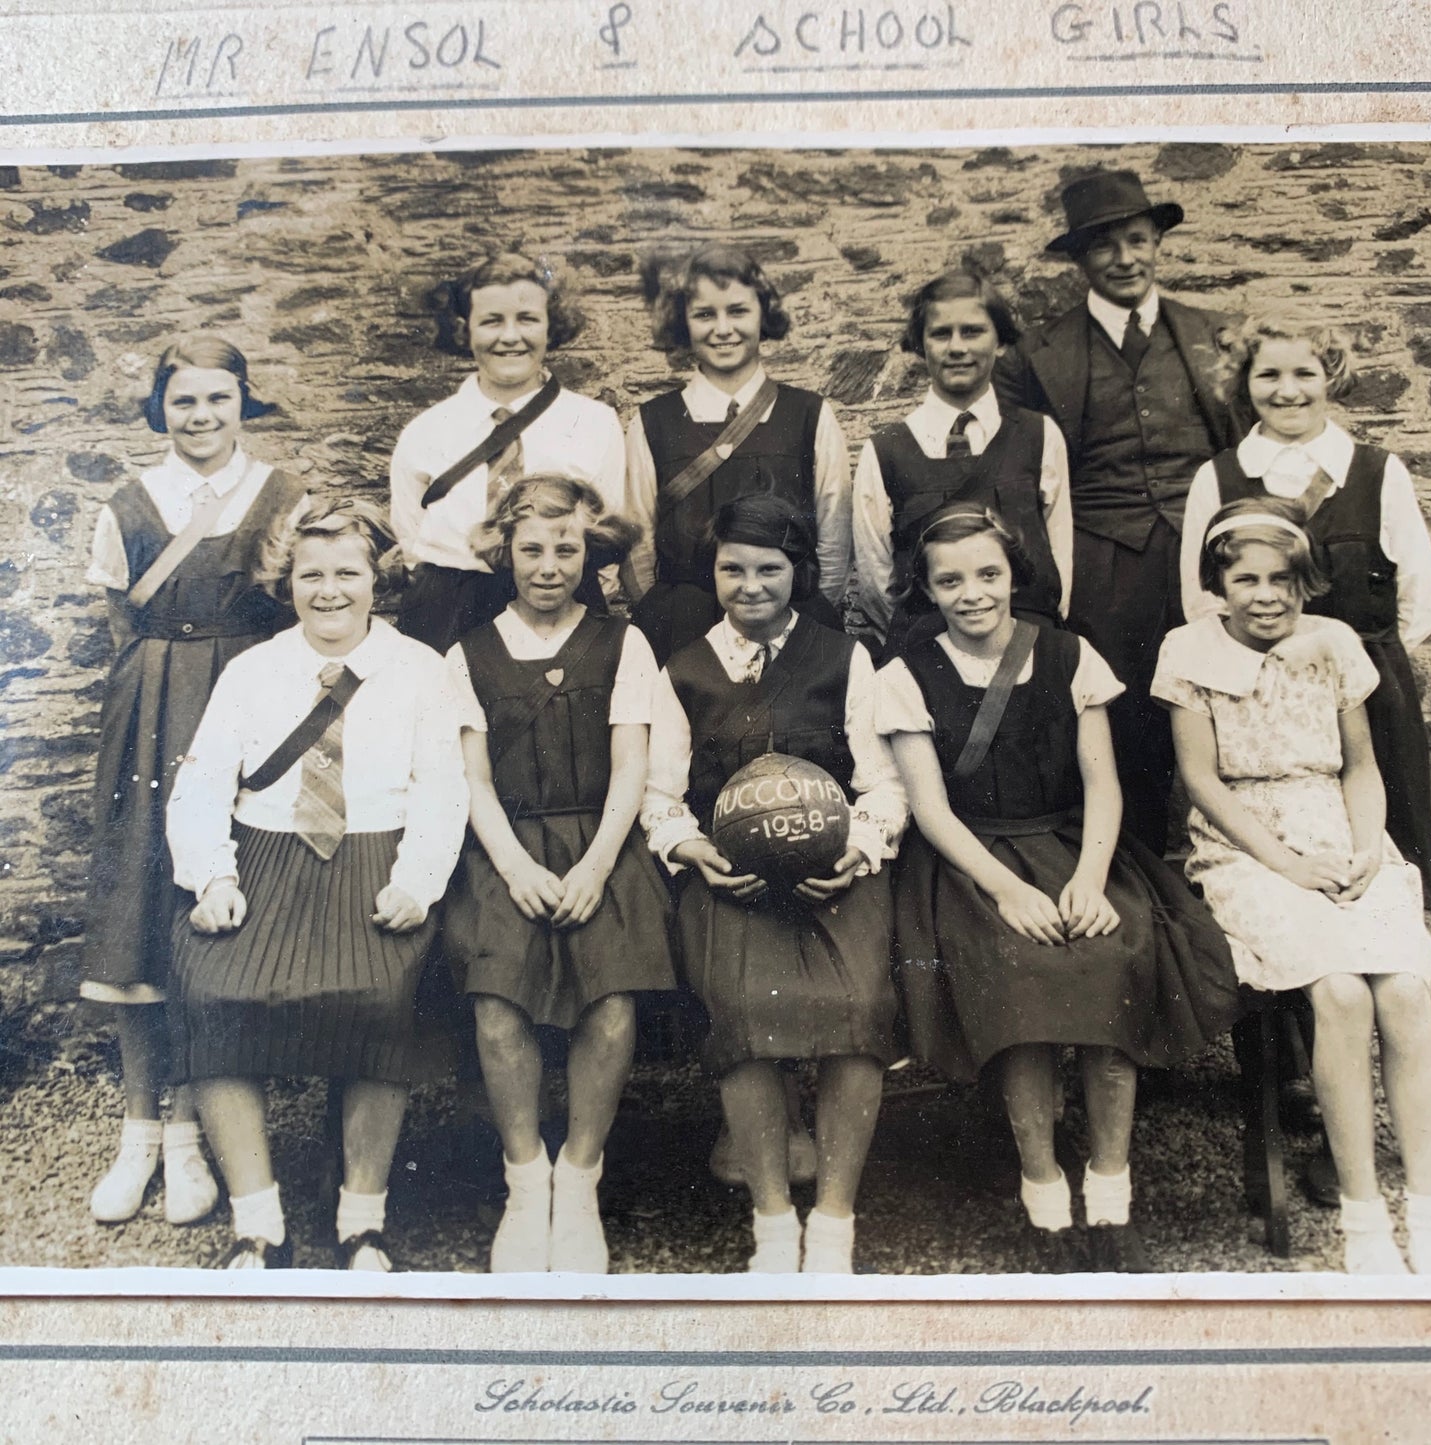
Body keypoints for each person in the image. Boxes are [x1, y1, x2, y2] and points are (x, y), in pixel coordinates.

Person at [878, 507, 1238, 1273]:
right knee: (1020, 972)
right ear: (927, 590)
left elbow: (1101, 785)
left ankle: (1109, 1194)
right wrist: (1008, 891)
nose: (971, 593)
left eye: (986, 574)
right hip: (971, 863)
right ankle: (1043, 1188)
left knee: (1112, 954)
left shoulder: (1069, 655)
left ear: (1013, 574)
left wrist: (1089, 879)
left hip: (1073, 847)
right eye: (949, 580)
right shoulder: (906, 677)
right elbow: (932, 811)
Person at [165, 498, 466, 1269]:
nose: (329, 591)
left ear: (377, 579)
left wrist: (417, 882)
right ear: (285, 581)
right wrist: (211, 877)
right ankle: (257, 1221)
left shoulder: (421, 670)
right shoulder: (252, 669)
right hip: (264, 859)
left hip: (374, 856)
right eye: (311, 575)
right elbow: (200, 786)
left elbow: (443, 789)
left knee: (380, 996)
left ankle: (362, 1220)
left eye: (347, 573)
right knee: (214, 990)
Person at [1154, 498, 1431, 1274]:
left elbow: (1358, 765)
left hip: (1340, 831)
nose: (1265, 594)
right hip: (1246, 846)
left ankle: (1430, 1205)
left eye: (1281, 578)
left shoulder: (1334, 643)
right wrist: (1285, 865)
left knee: (1406, 994)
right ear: (1217, 584)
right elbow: (1200, 779)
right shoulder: (1186, 650)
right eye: (1244, 578)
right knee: (1341, 993)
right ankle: (1360, 1216)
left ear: (1304, 580)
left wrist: (1363, 850)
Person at [641, 495, 907, 1273]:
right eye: (732, 568)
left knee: (857, 1012)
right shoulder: (683, 668)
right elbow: (659, 798)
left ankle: (832, 1219)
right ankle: (770, 1220)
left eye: (769, 568)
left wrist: (856, 850)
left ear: (798, 572)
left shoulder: (843, 657)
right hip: (731, 883)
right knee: (745, 1012)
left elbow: (883, 786)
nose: (749, 584)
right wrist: (691, 849)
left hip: (835, 878)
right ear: (711, 572)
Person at [80, 334, 306, 1229]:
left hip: (247, 708)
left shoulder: (283, 497)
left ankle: (190, 1134)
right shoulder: (132, 501)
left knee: (211, 909)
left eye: (219, 399)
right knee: (141, 907)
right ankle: (141, 1133)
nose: (202, 417)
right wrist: (159, 701)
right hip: (152, 711)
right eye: (184, 401)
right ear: (160, 410)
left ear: (243, 403)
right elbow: (119, 623)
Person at [442, 476, 674, 1274]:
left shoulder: (623, 642)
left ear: (591, 552)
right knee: (498, 1007)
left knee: (609, 1005)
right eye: (532, 549)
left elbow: (632, 765)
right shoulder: (467, 653)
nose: (548, 565)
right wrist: (511, 865)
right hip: (505, 847)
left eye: (566, 549)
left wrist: (598, 864)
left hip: (600, 841)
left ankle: (579, 1176)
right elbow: (468, 778)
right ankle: (524, 1179)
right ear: (504, 552)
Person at [994, 168, 1248, 854]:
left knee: (1223, 697)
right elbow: (1025, 470)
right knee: (1123, 714)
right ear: (1078, 260)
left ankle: (1232, 861)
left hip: (1204, 552)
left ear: (1157, 242)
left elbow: (1245, 453)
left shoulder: (1212, 337)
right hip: (1103, 556)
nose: (1125, 258)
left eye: (1138, 240)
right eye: (1105, 247)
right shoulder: (1035, 357)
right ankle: (1137, 872)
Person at [1180, 313, 1431, 909]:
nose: (1288, 389)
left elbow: (1417, 601)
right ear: (1244, 384)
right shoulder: (1218, 478)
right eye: (1268, 374)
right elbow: (1200, 601)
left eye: (1305, 372)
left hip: (1368, 697)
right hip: (1256, 707)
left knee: (1379, 869)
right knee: (1274, 870)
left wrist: (1348, 661)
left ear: (1331, 377)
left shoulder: (1378, 472)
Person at [622, 244, 851, 662]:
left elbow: (834, 544)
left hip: (788, 622)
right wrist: (662, 615)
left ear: (763, 315)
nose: (722, 329)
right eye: (705, 314)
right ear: (683, 324)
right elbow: (638, 543)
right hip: (681, 630)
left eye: (738, 311)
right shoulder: (653, 422)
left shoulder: (810, 416)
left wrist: (802, 610)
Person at [390, 248, 626, 652]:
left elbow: (606, 536)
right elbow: (411, 539)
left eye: (527, 319)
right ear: (466, 331)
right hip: (451, 611)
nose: (510, 336)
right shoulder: (425, 433)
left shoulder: (593, 423)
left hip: (559, 604)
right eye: (492, 321)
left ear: (552, 326)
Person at [853, 267, 1072, 654]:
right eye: (941, 334)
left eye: (972, 331)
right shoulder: (885, 451)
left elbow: (1059, 564)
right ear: (920, 345)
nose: (956, 347)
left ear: (1000, 341)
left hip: (1028, 648)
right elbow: (876, 585)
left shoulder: (1039, 436)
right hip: (928, 655)